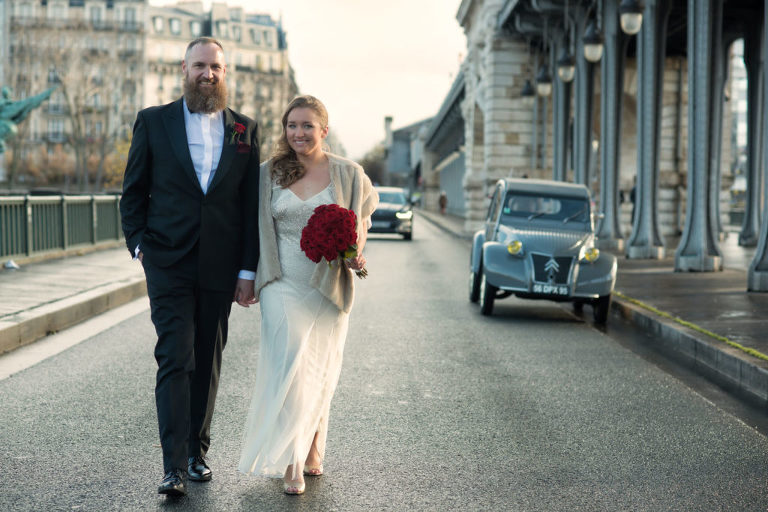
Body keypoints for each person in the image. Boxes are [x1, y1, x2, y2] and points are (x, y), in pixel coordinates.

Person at [119, 37, 260, 497]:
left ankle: (198, 452)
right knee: (175, 356)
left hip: (221, 266)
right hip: (168, 259)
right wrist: (139, 245)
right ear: (184, 68)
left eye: (216, 67)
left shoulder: (246, 130)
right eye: (200, 65)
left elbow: (250, 204)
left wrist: (247, 270)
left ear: (225, 71)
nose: (208, 74)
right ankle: (173, 466)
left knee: (208, 360)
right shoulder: (153, 121)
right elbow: (133, 190)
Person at [238, 95, 378, 495]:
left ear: (324, 130)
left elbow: (362, 217)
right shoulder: (267, 173)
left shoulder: (349, 174)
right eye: (291, 126)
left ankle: (315, 445)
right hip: (280, 281)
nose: (298, 133)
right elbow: (251, 227)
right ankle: (293, 461)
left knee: (320, 368)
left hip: (327, 285)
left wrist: (355, 252)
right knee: (291, 366)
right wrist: (246, 275)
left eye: (306, 126)